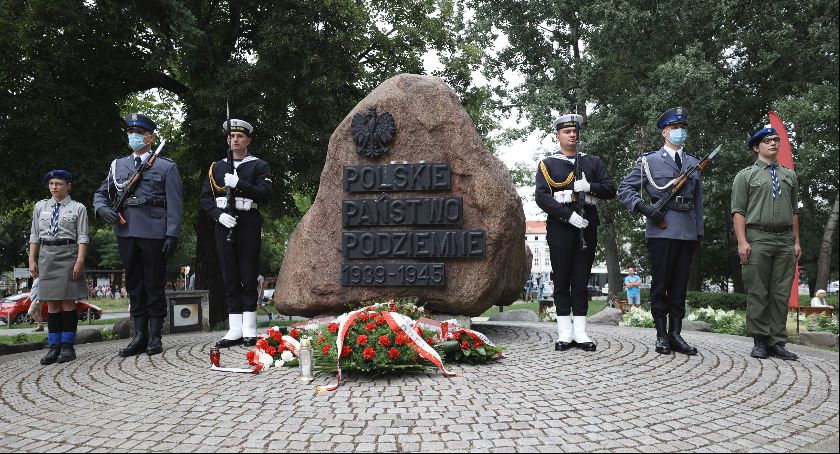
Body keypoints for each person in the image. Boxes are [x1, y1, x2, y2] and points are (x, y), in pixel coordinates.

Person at [93, 113, 183, 357]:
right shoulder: (118, 166)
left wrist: (172, 234)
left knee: (153, 284)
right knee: (134, 285)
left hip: (154, 231)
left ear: (150, 136)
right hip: (126, 230)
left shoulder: (166, 166)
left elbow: (175, 204)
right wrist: (102, 209)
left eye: (139, 132)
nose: (133, 136)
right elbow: (101, 193)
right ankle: (139, 336)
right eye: (130, 132)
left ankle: (155, 336)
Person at [618, 107, 703, 356]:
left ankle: (676, 334)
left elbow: (698, 201)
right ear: (665, 132)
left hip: (687, 231)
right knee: (661, 284)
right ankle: (661, 335)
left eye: (682, 128)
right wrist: (644, 208)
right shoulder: (649, 161)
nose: (680, 132)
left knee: (679, 286)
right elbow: (625, 188)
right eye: (675, 128)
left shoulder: (693, 163)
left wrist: (699, 231)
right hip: (661, 230)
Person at [536, 113, 617, 352]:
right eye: (566, 132)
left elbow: (610, 189)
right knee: (561, 278)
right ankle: (564, 332)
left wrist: (590, 186)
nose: (572, 135)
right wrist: (567, 215)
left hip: (586, 226)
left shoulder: (592, 162)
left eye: (574, 132)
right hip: (561, 226)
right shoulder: (548, 164)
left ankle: (580, 332)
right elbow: (542, 196)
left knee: (581, 278)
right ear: (558, 136)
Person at [200, 119, 273, 348]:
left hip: (248, 222)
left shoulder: (259, 165)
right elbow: (204, 198)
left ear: (248, 140)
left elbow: (265, 193)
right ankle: (234, 329)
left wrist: (239, 183)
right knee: (229, 276)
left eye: (240, 136)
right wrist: (217, 215)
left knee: (248, 275)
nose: (235, 139)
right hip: (224, 222)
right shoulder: (216, 167)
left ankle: (250, 328)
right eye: (231, 136)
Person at [732, 126, 801, 361]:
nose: (773, 143)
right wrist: (742, 241)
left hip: (784, 239)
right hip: (757, 237)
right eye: (767, 141)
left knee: (781, 292)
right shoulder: (745, 175)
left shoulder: (789, 175)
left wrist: (796, 241)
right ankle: (760, 341)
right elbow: (738, 212)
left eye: (776, 140)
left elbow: (794, 212)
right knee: (758, 290)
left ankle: (777, 342)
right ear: (756, 147)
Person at [29, 170, 89, 365]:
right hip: (47, 255)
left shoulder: (78, 208)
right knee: (52, 303)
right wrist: (32, 259)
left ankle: (67, 346)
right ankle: (53, 347)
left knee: (68, 303)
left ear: (68, 185)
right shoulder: (40, 207)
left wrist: (80, 260)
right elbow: (35, 236)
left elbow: (82, 237)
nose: (54, 187)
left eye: (59, 183)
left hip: (68, 254)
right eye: (51, 183)